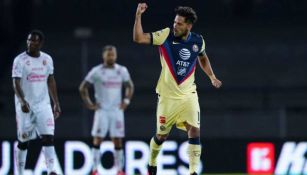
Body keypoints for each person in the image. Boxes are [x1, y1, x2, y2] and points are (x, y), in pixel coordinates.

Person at [133, 3, 222, 175]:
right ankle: (152, 163)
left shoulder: (198, 40)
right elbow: (139, 38)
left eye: (180, 23)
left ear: (189, 26)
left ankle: (193, 172)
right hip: (168, 97)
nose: (175, 25)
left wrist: (212, 76)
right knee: (161, 136)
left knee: (195, 130)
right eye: (175, 22)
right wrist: (138, 16)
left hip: (189, 95)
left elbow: (202, 58)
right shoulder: (165, 35)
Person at [79, 45, 134, 175]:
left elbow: (130, 86)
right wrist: (89, 104)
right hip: (102, 110)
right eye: (109, 54)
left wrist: (126, 101)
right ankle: (94, 169)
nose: (111, 57)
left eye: (113, 54)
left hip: (116, 110)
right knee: (98, 139)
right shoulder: (97, 71)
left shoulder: (121, 70)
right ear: (104, 55)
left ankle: (119, 170)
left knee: (118, 139)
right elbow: (83, 87)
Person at [12, 30, 61, 175]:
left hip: (43, 105)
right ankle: (20, 172)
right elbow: (16, 82)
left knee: (48, 137)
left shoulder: (47, 59)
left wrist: (56, 102)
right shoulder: (19, 60)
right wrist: (22, 101)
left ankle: (52, 170)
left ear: (40, 43)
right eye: (28, 40)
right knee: (23, 141)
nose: (30, 43)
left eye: (34, 41)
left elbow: (51, 80)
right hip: (25, 106)